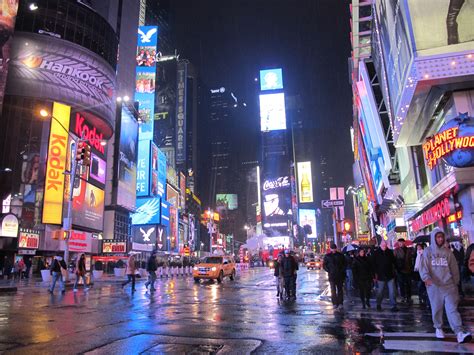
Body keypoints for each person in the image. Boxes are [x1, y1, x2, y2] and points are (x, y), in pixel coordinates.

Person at [419, 228, 471, 343]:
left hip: (449, 286)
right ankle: (438, 328)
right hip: (434, 286)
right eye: (438, 237)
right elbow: (423, 267)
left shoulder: (448, 252)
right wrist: (426, 278)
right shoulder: (427, 251)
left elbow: (454, 268)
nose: (441, 239)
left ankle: (459, 332)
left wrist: (455, 283)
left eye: (442, 237)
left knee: (452, 309)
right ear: (434, 238)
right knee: (437, 308)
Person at [372, 241, 398, 312]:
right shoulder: (376, 253)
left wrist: (396, 269)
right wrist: (374, 275)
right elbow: (373, 264)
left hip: (390, 275)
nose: (384, 246)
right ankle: (378, 304)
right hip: (380, 275)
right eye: (383, 245)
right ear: (380, 245)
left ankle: (393, 305)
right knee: (380, 291)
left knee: (392, 291)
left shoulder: (389, 252)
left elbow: (394, 261)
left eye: (385, 245)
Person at [323, 244, 346, 310]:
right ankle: (335, 303)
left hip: (339, 275)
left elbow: (344, 264)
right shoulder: (327, 256)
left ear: (336, 248)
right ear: (330, 249)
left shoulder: (340, 255)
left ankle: (340, 303)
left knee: (340, 290)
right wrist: (329, 271)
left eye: (334, 248)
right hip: (332, 275)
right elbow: (324, 265)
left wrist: (342, 271)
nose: (333, 250)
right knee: (333, 290)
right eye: (332, 248)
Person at [394, 238, 414, 304]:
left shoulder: (408, 250)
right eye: (399, 243)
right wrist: (396, 269)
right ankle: (403, 296)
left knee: (409, 284)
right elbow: (394, 260)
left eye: (401, 242)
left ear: (403, 242)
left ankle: (408, 296)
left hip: (408, 269)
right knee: (401, 284)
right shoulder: (396, 250)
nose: (400, 244)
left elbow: (411, 259)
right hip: (400, 270)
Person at [413, 243, 429, 309]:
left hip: (423, 270)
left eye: (419, 247)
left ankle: (424, 297)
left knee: (422, 284)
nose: (418, 248)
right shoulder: (416, 253)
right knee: (419, 285)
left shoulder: (423, 253)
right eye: (417, 247)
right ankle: (421, 296)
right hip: (417, 271)